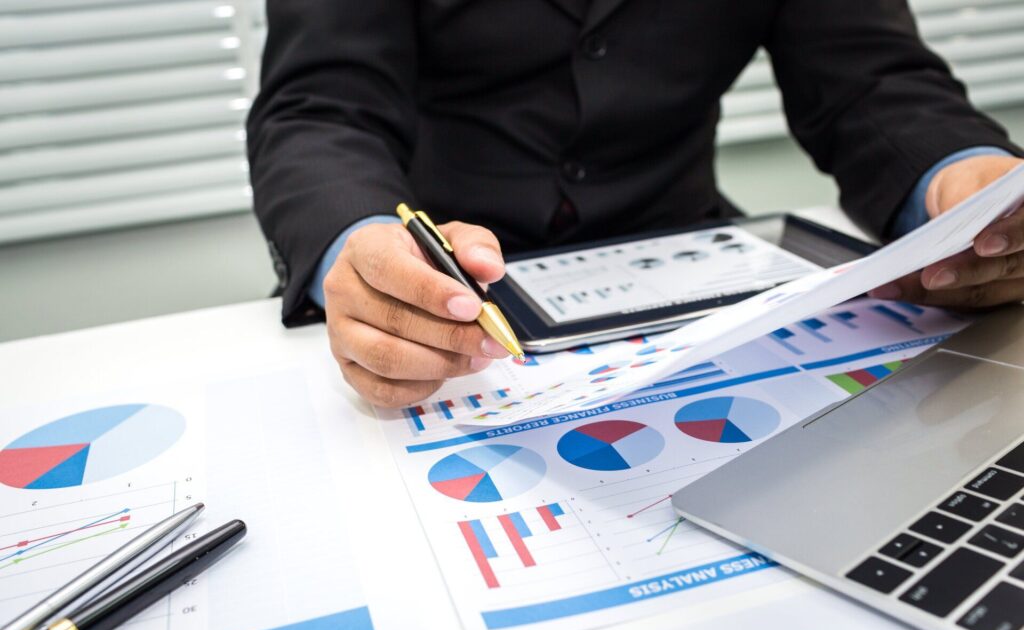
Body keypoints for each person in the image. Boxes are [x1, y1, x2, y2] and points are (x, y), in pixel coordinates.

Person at [247, 0, 1023, 408]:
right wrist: (363, 242)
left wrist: (968, 179)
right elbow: (321, 105)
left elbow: (871, 78)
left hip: (696, 273)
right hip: (455, 292)